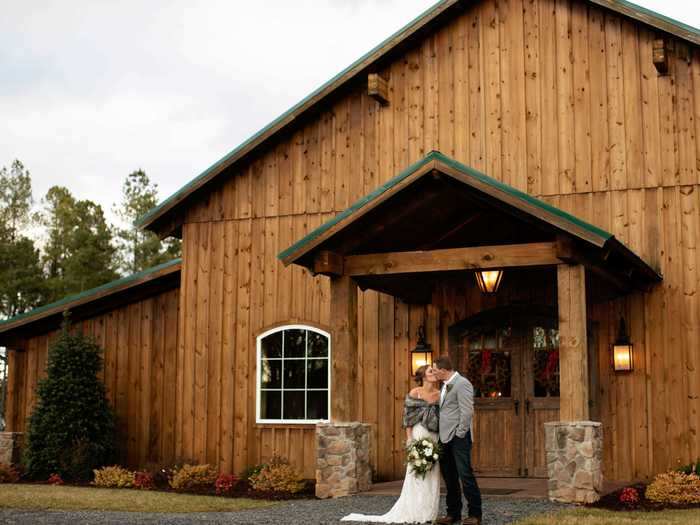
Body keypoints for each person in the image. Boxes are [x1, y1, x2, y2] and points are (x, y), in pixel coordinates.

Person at [342, 365, 441, 523]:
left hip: (434, 435)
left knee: (432, 472)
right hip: (419, 433)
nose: (434, 373)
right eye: (430, 371)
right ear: (423, 376)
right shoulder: (415, 393)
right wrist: (410, 439)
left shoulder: (439, 394)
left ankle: (429, 513)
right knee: (416, 472)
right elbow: (407, 418)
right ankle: (415, 512)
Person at [432, 355, 482, 525]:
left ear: (443, 370)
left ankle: (475, 514)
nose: (433, 372)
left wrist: (460, 433)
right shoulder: (445, 385)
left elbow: (467, 411)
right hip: (444, 437)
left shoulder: (462, 383)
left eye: (435, 370)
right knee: (449, 477)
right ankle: (453, 514)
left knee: (465, 475)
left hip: (458, 437)